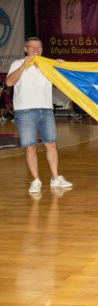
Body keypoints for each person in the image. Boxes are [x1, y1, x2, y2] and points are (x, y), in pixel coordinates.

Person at [6, 37, 73, 194]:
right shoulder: (17, 63)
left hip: (46, 110)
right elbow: (9, 83)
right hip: (25, 111)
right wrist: (24, 65)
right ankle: (36, 180)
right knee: (31, 147)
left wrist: (61, 67)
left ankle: (55, 177)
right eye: (32, 47)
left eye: (39, 47)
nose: (36, 50)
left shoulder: (48, 64)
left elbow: (62, 82)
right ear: (25, 49)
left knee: (51, 144)